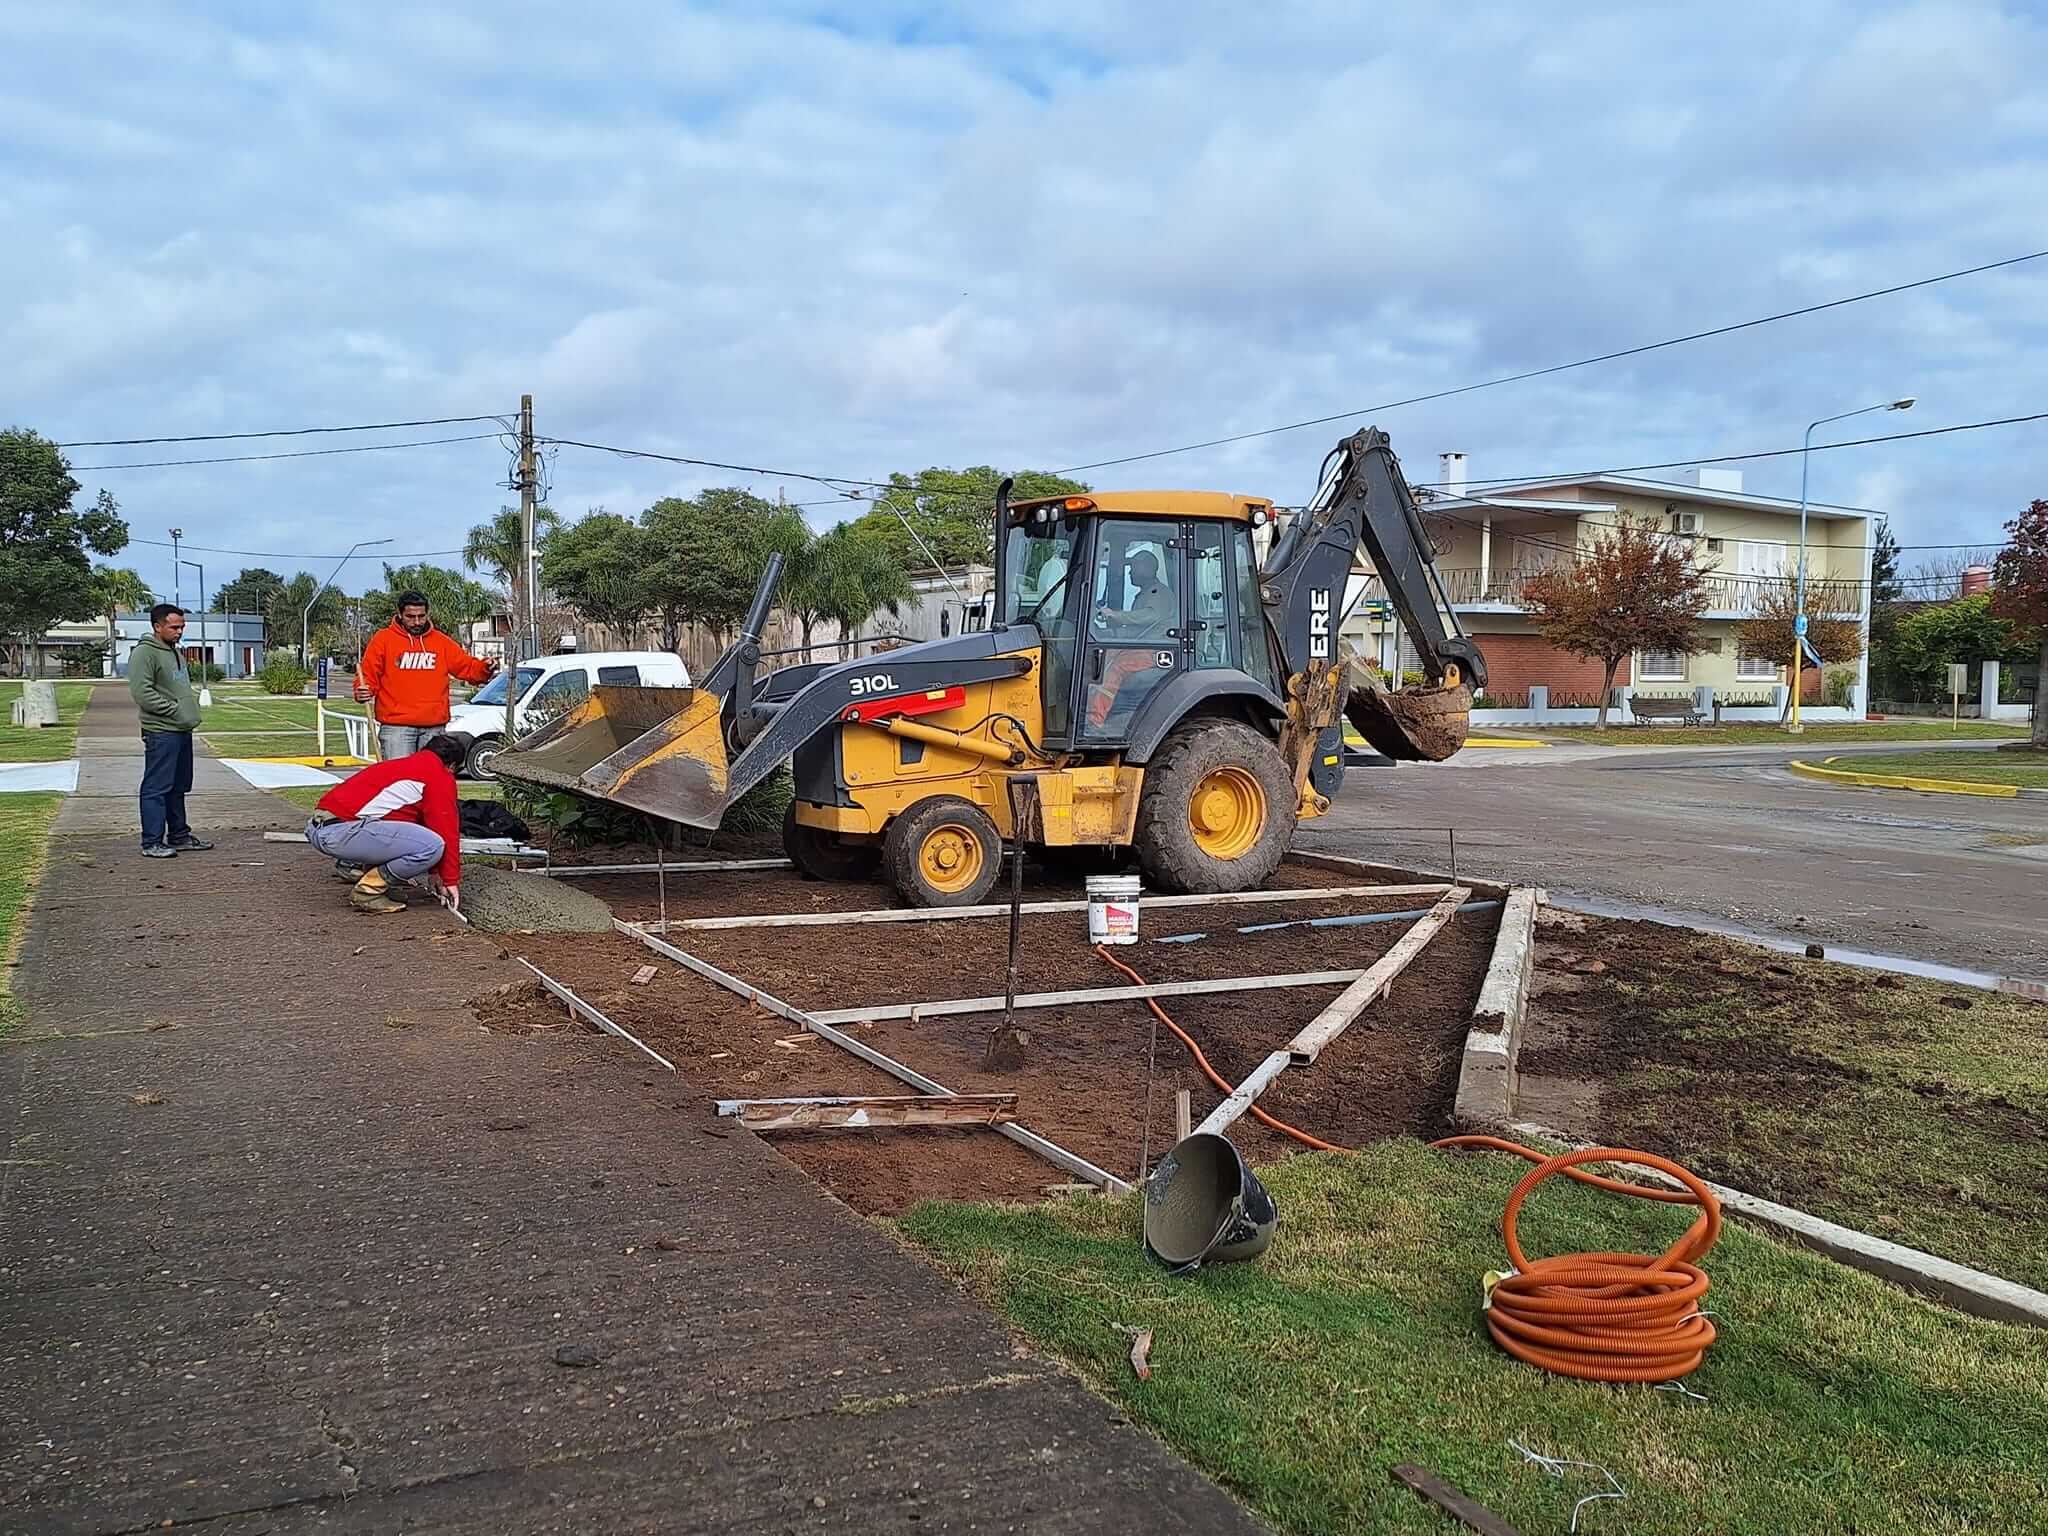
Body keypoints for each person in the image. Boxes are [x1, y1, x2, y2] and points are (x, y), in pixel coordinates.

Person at [304, 733, 467, 915]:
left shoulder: (400, 766)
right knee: (433, 845)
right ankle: (369, 891)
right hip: (341, 833)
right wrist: (450, 880)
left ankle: (372, 880)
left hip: (319, 827)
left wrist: (435, 872)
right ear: (452, 765)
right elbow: (446, 830)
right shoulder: (437, 776)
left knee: (406, 837)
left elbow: (395, 830)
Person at [354, 590, 497, 761]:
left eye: (421, 616)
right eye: (410, 617)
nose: (417, 622)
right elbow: (369, 675)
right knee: (400, 781)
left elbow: (466, 667)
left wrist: (484, 668)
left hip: (434, 728)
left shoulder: (441, 641)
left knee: (430, 782)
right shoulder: (383, 640)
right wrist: (363, 690)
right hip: (396, 728)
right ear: (399, 614)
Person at [127, 602, 214, 859]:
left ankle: (179, 836)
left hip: (181, 729)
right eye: (174, 627)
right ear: (157, 626)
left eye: (182, 627)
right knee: (157, 787)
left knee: (178, 786)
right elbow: (142, 693)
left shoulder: (172, 650)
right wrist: (174, 710)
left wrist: (184, 714)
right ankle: (151, 841)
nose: (179, 632)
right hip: (162, 731)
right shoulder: (145, 653)